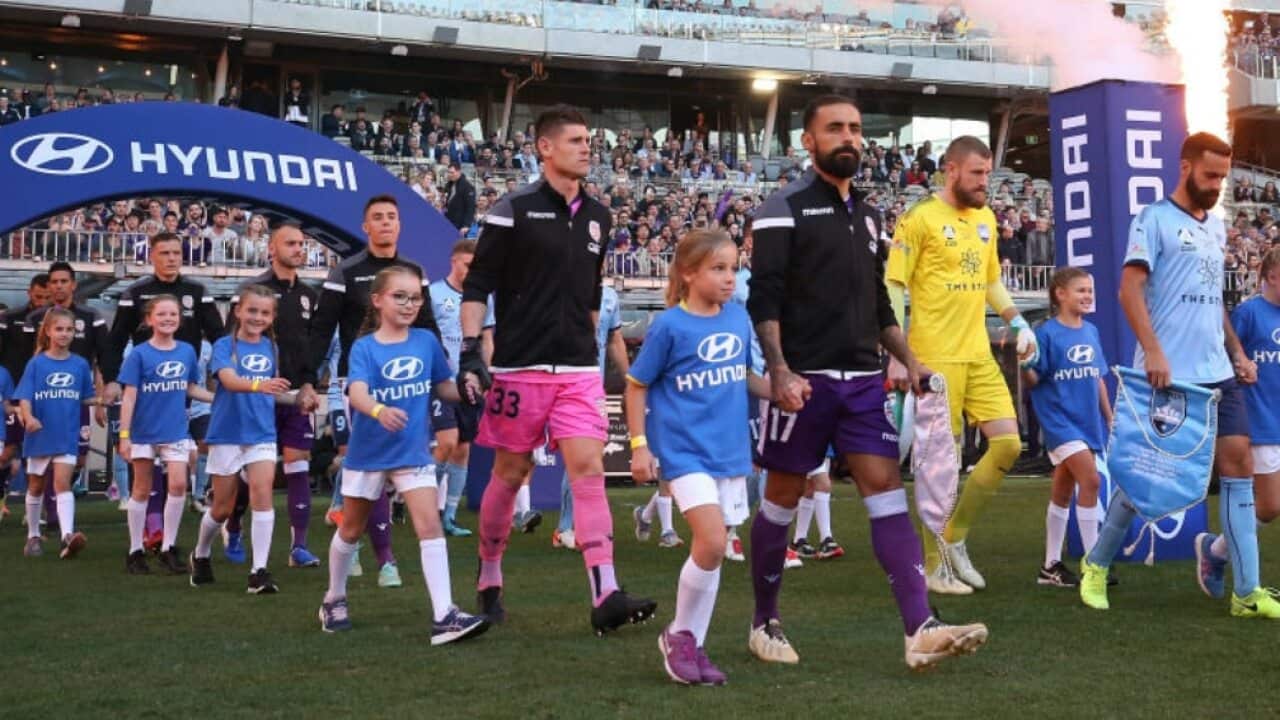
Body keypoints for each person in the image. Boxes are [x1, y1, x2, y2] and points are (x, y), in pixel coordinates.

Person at [747, 94, 987, 669]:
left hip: (862, 381)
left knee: (885, 490)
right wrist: (779, 371)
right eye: (835, 129)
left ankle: (919, 628)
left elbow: (879, 302)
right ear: (808, 141)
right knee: (781, 498)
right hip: (803, 382)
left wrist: (909, 358)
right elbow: (765, 299)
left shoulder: (872, 215)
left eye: (855, 128)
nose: (849, 137)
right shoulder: (782, 208)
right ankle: (764, 621)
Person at [461, 105, 657, 633]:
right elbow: (478, 284)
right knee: (511, 473)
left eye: (588, 140)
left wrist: (586, 341)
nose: (587, 147)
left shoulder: (599, 215)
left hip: (577, 370)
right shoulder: (512, 209)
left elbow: (593, 291)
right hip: (520, 368)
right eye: (574, 140)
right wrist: (468, 350)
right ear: (544, 148)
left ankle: (605, 592)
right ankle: (490, 571)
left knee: (589, 472)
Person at [1080, 133, 1279, 618]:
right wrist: (1153, 352)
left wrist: (1236, 352)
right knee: (1146, 479)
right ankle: (1096, 564)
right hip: (1169, 377)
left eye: (1223, 178)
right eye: (1210, 176)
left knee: (1238, 469)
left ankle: (1247, 592)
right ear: (1185, 167)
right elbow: (1129, 291)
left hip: (1218, 375)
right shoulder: (1153, 220)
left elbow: (1215, 304)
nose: (1216, 186)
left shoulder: (1215, 227)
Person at [886, 135, 1039, 594]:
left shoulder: (988, 219)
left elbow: (990, 281)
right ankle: (933, 567)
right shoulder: (918, 220)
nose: (984, 183)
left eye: (988, 174)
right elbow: (894, 286)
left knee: (1009, 445)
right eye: (976, 173)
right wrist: (898, 355)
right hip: (935, 356)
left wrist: (1018, 323)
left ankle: (954, 539)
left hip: (978, 354)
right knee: (940, 464)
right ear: (951, 170)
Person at [318, 266, 490, 643]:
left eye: (415, 297)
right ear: (377, 300)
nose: (409, 304)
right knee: (350, 528)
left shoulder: (426, 341)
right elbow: (357, 393)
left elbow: (443, 386)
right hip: (368, 453)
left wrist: (469, 390)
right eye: (400, 296)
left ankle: (444, 614)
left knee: (429, 526)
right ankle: (334, 597)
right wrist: (379, 411)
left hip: (413, 451)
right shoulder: (363, 347)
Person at [627, 229, 766, 685]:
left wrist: (782, 390)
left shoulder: (738, 319)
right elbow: (636, 384)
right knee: (708, 542)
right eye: (719, 268)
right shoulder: (669, 325)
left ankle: (693, 645)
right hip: (685, 453)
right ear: (688, 273)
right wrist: (639, 445)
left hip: (730, 453)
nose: (730, 278)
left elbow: (745, 375)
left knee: (716, 550)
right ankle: (680, 635)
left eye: (734, 267)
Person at [308, 194, 442, 590]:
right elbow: (323, 327)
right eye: (377, 218)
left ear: (400, 225)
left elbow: (429, 325)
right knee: (362, 467)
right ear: (365, 227)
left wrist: (444, 376)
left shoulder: (414, 271)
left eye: (392, 217)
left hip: (410, 387)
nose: (386, 223)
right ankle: (361, 551)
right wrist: (305, 377)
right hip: (361, 389)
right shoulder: (345, 271)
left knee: (399, 469)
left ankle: (383, 557)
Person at [189, 285, 290, 594]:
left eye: (264, 312)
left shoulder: (273, 348)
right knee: (222, 507)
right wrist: (262, 385)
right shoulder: (224, 345)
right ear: (238, 311)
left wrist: (299, 398)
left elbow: (276, 390)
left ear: (272, 317)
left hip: (261, 433)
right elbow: (230, 381)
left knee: (262, 495)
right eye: (252, 310)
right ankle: (201, 553)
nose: (257, 317)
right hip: (228, 432)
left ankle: (258, 571)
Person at [233, 224, 323, 568]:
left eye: (302, 243)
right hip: (258, 396)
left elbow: (312, 348)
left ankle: (298, 546)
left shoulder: (310, 295)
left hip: (296, 394)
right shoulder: (253, 291)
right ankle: (235, 527)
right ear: (272, 248)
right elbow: (235, 343)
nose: (298, 249)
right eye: (291, 243)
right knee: (257, 471)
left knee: (299, 462)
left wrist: (310, 384)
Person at [1021, 268, 1111, 587]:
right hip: (1060, 421)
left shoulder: (1091, 331)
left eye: (1090, 290)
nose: (1087, 296)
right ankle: (1094, 563)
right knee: (1091, 480)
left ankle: (1050, 567)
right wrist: (1021, 366)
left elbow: (1098, 377)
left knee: (1062, 488)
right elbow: (1033, 380)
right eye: (1081, 290)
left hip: (1088, 423)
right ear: (1060, 294)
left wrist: (1109, 417)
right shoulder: (1045, 334)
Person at [118, 295, 212, 575]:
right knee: (142, 489)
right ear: (149, 320)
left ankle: (169, 548)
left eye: (173, 314)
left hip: (175, 430)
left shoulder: (186, 351)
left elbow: (191, 388)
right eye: (161, 314)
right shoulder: (139, 354)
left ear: (180, 319)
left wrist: (217, 399)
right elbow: (129, 398)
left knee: (179, 486)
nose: (168, 318)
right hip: (144, 432)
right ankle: (135, 550)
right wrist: (125, 435)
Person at [17, 308, 99, 559]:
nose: (64, 334)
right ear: (48, 332)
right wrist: (29, 418)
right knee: (36, 486)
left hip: (66, 434)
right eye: (59, 329)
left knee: (62, 483)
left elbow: (85, 397)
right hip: (40, 434)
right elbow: (25, 397)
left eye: (69, 329)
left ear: (75, 332)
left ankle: (67, 535)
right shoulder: (37, 363)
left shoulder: (80, 364)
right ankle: (32, 536)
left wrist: (102, 400)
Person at [428, 240, 495, 538]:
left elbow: (488, 339)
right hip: (442, 383)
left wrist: (488, 375)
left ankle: (449, 516)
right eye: (467, 264)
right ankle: (428, 507)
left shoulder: (483, 299)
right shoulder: (434, 293)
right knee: (446, 442)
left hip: (470, 382)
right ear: (454, 261)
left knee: (463, 449)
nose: (471, 270)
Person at [555, 280, 626, 551]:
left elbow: (615, 339)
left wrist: (629, 377)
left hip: (592, 388)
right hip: (562, 382)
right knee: (576, 457)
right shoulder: (560, 287)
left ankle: (570, 527)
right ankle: (563, 526)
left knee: (588, 456)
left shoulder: (609, 296)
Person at [1232, 247, 1280, 530]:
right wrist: (1241, 365)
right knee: (1270, 506)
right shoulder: (1248, 313)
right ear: (1272, 276)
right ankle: (1216, 551)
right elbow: (1226, 356)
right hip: (1261, 421)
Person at [788, 459, 844, 560]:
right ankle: (826, 540)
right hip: (807, 446)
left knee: (811, 487)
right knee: (823, 484)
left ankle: (798, 541)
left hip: (819, 447)